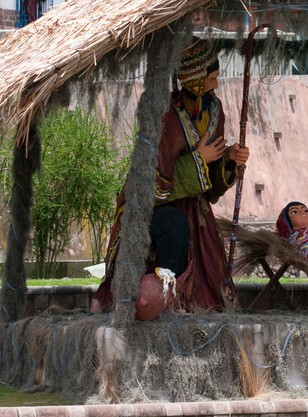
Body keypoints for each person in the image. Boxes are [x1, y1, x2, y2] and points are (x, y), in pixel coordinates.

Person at [93, 38, 250, 314]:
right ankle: (160, 299)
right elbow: (153, 181)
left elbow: (211, 187)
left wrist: (227, 160)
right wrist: (198, 159)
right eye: (210, 77)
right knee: (173, 230)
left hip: (196, 209)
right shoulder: (165, 116)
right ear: (193, 78)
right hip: (156, 208)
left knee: (209, 283)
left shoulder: (214, 111)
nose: (215, 83)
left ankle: (190, 303)